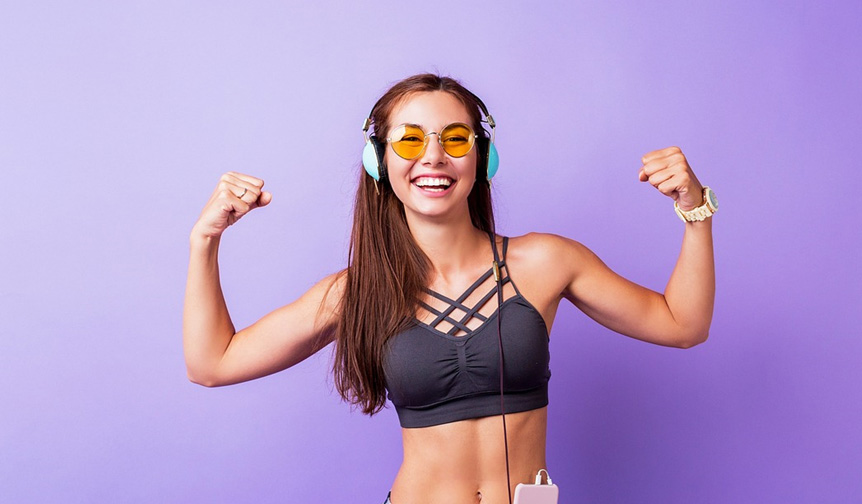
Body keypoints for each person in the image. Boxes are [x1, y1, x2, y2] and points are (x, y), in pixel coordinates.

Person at [183, 74, 716, 504]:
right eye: (410, 139)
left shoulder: (547, 262)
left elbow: (683, 324)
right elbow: (213, 364)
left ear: (483, 157)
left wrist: (695, 212)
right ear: (378, 160)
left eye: (455, 138)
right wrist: (204, 241)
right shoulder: (359, 292)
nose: (433, 157)